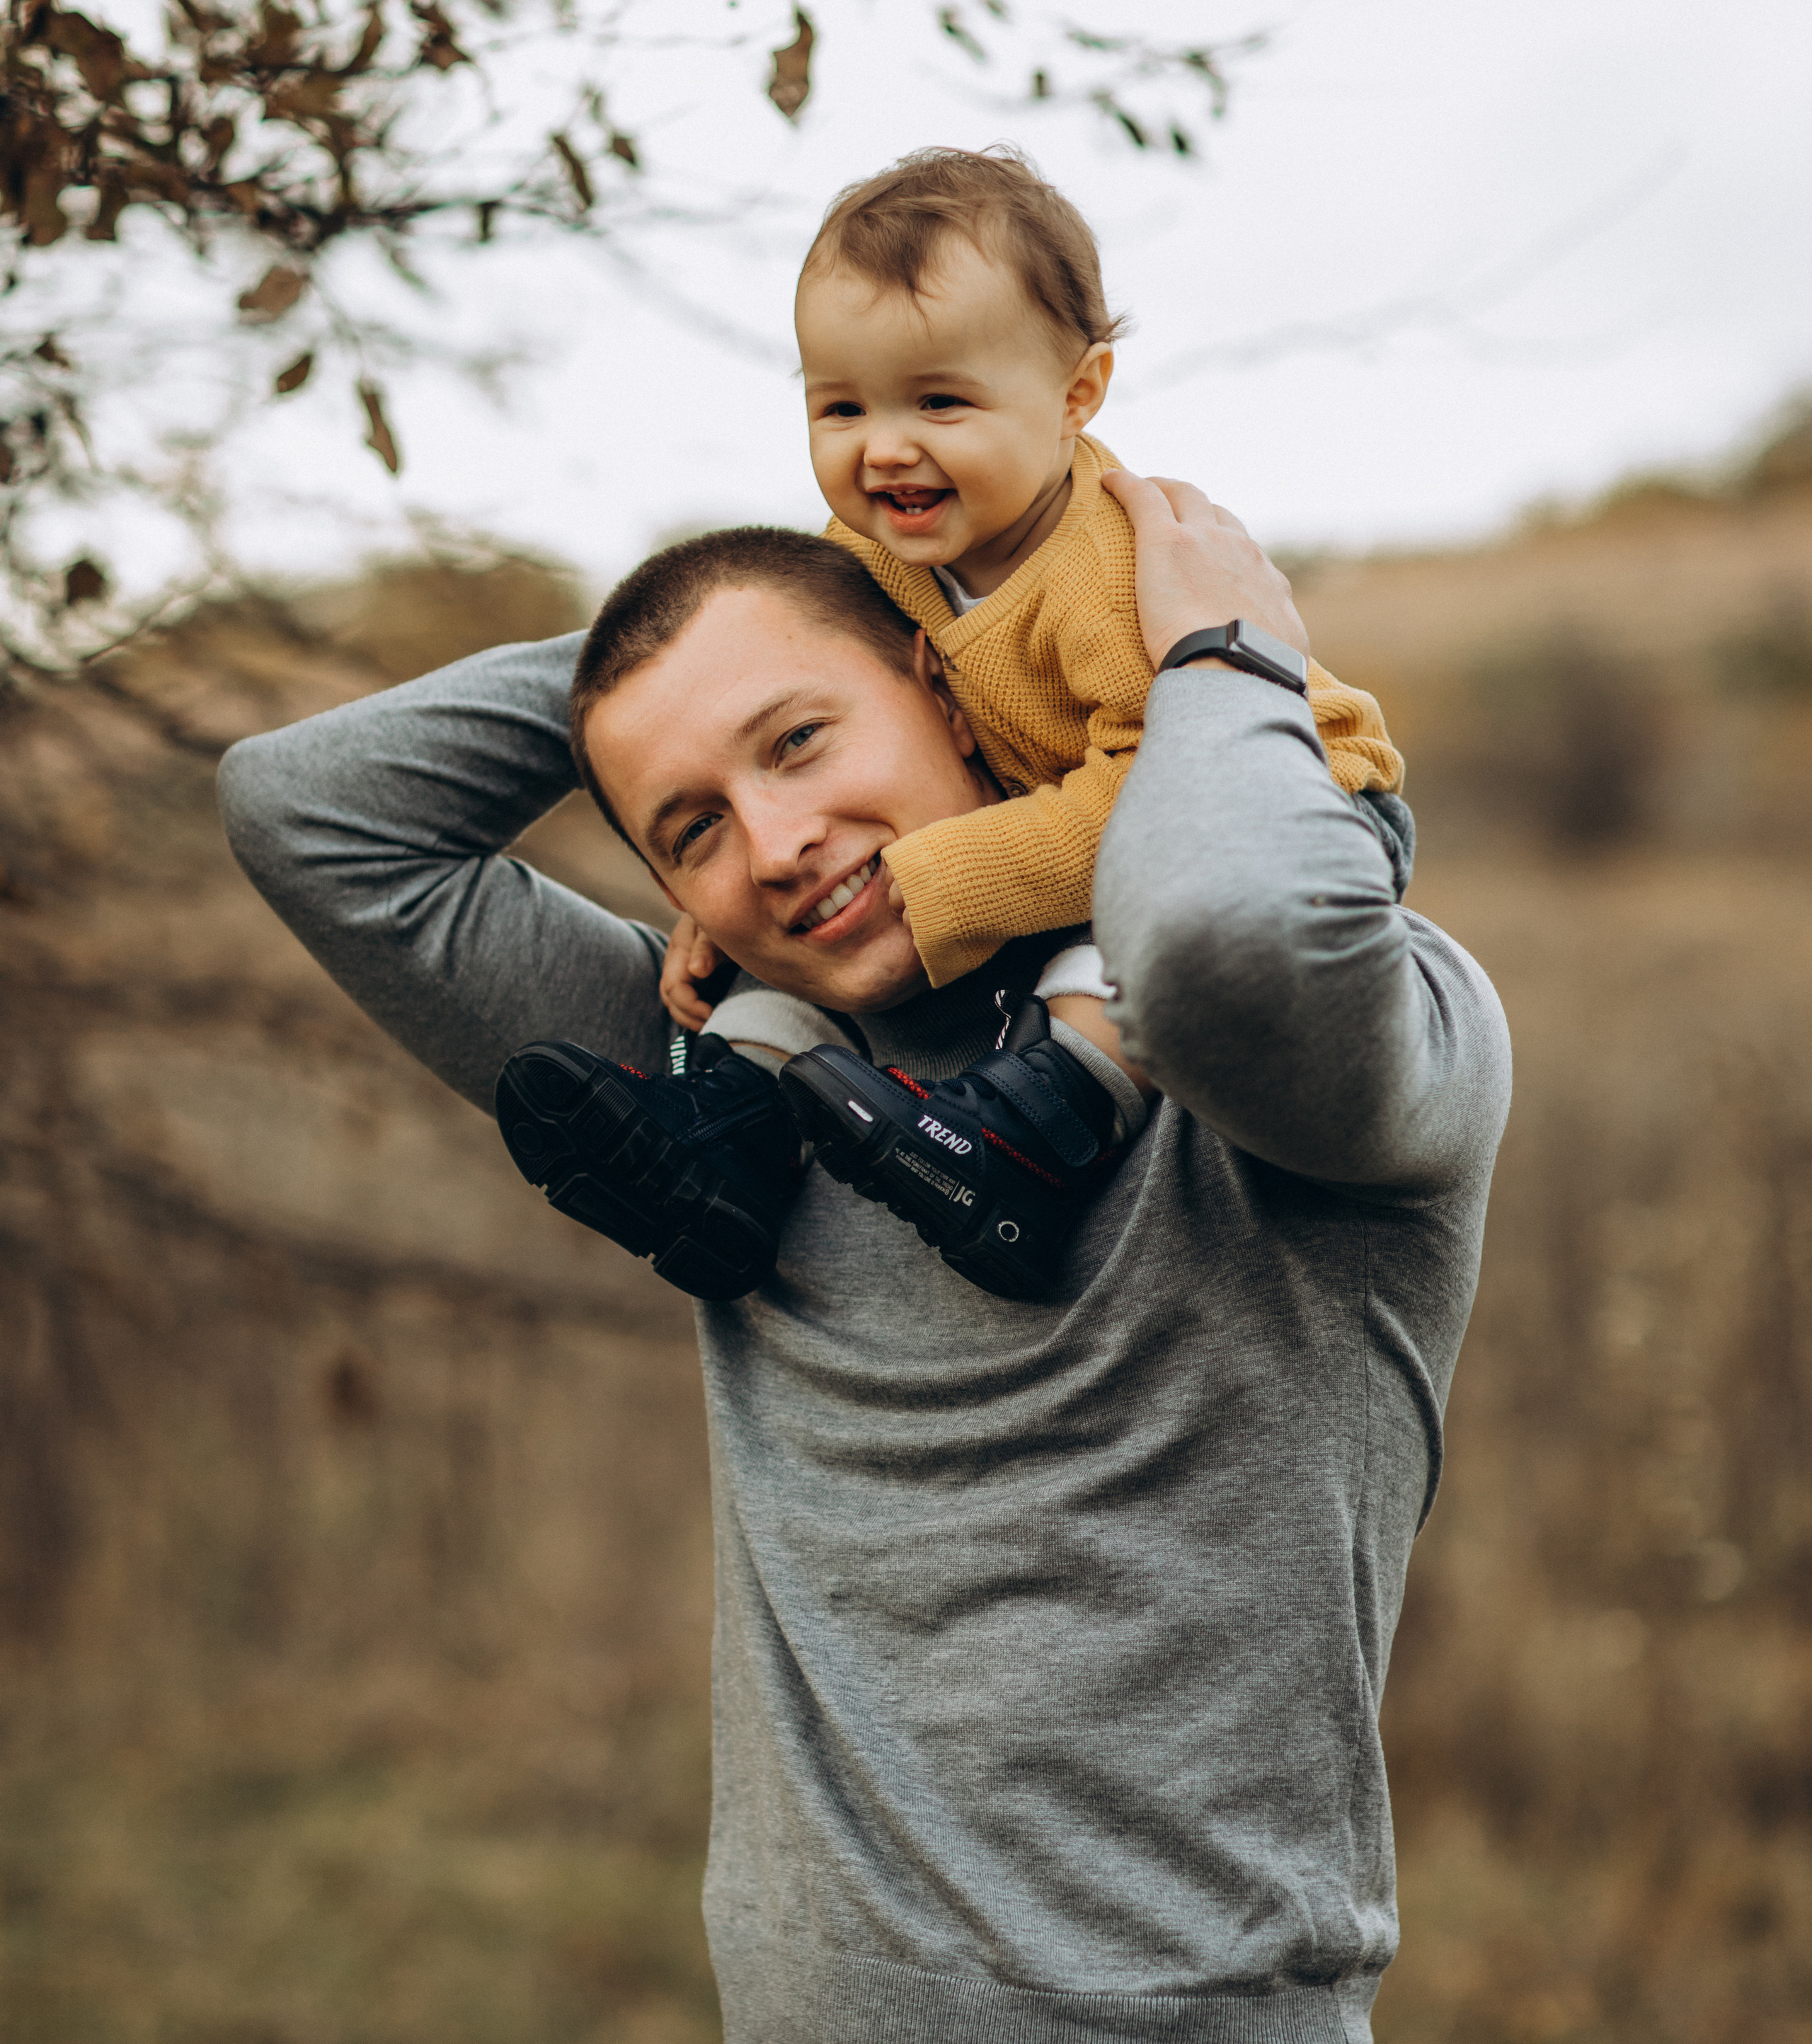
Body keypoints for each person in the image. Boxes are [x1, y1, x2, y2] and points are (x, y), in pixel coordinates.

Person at [217, 474, 1511, 2044]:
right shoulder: (724, 1086)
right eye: (688, 826)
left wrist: (1190, 654)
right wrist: (805, 603)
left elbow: (1229, 942)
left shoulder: (1347, 1039)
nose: (769, 846)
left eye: (797, 739)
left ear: (948, 690)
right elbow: (310, 813)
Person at [540, 146, 1410, 1302]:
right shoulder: (880, 549)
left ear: (1077, 394)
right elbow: (719, 667)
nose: (885, 448)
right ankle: (723, 1143)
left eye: (940, 402)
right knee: (791, 942)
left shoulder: (1105, 574)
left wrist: (945, 873)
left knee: (1133, 944)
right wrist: (721, 900)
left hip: (1286, 811)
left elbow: (1159, 799)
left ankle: (1034, 1137)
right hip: (1055, 828)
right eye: (841, 407)